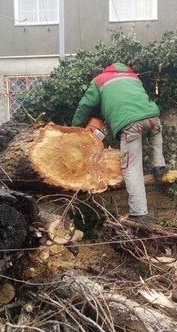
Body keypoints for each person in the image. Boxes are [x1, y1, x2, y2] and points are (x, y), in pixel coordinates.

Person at [71, 62, 168, 224]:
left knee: (131, 167)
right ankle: (159, 166)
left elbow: (85, 105)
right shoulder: (134, 78)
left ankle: (139, 214)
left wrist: (75, 128)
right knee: (155, 136)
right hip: (153, 117)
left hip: (131, 124)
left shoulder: (100, 80)